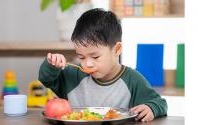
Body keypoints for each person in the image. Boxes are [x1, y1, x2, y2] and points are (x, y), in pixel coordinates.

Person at [39, 8, 167, 122]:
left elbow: (160, 103)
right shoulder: (73, 75)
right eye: (81, 57)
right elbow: (46, 79)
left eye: (95, 57)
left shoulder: (133, 80)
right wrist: (52, 65)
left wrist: (151, 108)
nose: (87, 64)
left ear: (117, 49)